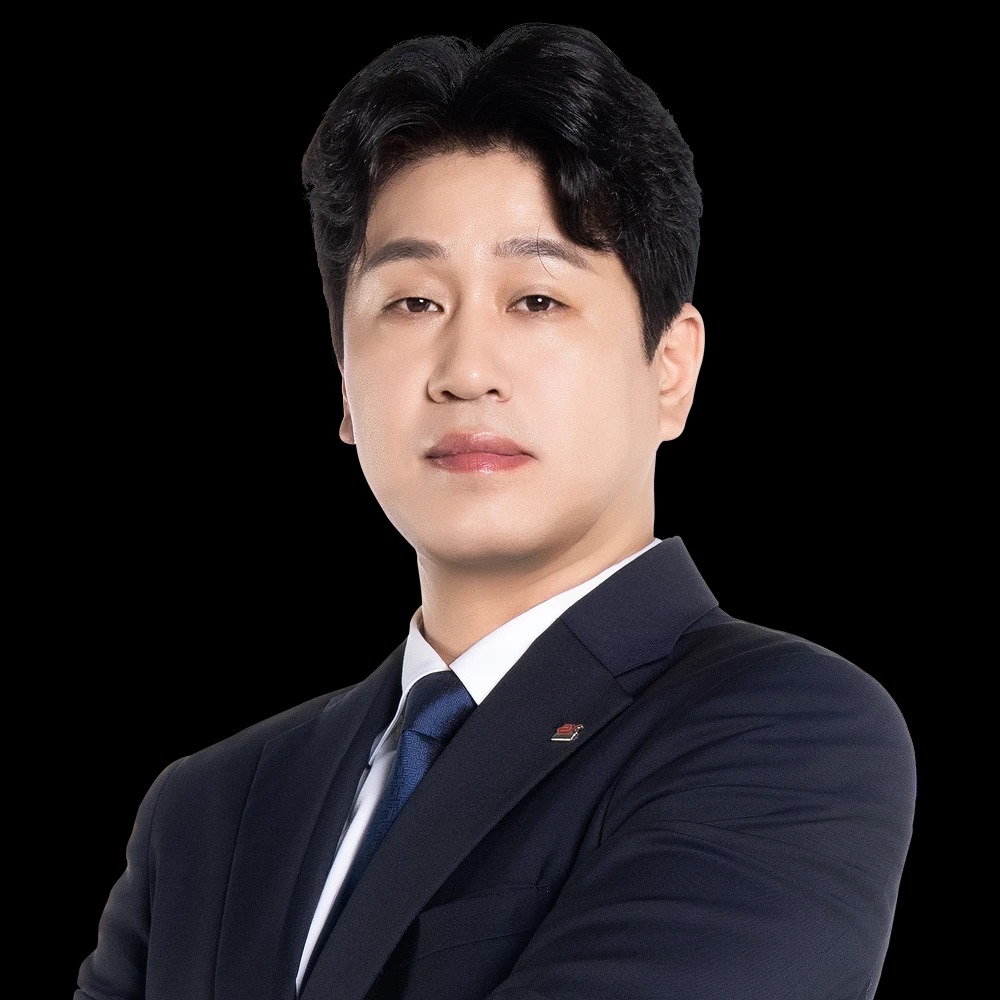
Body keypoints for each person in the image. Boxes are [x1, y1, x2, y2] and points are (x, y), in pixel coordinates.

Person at [76, 22, 916, 1000]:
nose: (466, 371)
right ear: (344, 381)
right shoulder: (205, 814)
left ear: (670, 369)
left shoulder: (784, 731)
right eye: (412, 303)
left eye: (536, 300)